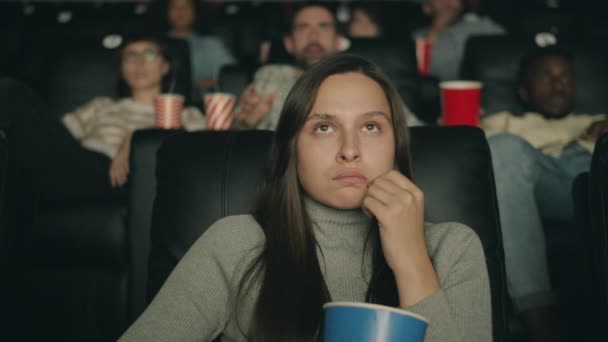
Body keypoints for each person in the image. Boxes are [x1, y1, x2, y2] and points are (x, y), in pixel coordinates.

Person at [119, 54, 492, 341]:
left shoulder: (452, 248)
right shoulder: (236, 243)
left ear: (396, 146)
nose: (350, 150)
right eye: (324, 127)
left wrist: (412, 258)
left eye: (371, 126)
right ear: (291, 149)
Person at [482, 47, 608, 341]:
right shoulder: (502, 123)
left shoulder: (599, 119)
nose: (558, 85)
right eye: (546, 77)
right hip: (535, 183)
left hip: (592, 181)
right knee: (503, 147)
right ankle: (540, 319)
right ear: (524, 91)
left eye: (566, 77)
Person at [5, 34, 206, 200]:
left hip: (122, 180)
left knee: (11, 92)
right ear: (121, 69)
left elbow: (203, 155)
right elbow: (54, 140)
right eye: (131, 56)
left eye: (150, 54)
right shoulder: (101, 106)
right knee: (10, 95)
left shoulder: (185, 114)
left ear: (165, 67)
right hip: (77, 166)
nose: (140, 62)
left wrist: (134, 140)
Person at [236, 2, 423, 130]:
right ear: (288, 43)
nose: (314, 36)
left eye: (324, 27)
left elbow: (414, 133)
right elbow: (237, 133)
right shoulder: (270, 75)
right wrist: (245, 126)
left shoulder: (365, 80)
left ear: (339, 41)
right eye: (303, 27)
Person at [411, 0, 505, 81]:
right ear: (426, 7)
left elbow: (508, 49)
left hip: (476, 87)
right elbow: (422, 71)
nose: (448, 1)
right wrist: (438, 27)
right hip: (436, 91)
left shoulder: (481, 26)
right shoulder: (419, 36)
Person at [166, 0, 236, 91]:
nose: (180, 11)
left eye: (186, 6)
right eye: (174, 7)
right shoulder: (156, 46)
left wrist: (199, 85)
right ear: (166, 12)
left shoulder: (211, 45)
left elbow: (233, 75)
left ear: (195, 12)